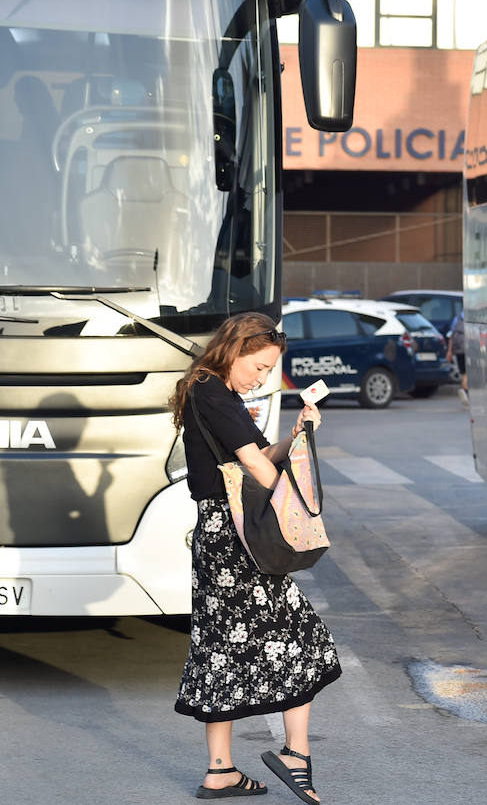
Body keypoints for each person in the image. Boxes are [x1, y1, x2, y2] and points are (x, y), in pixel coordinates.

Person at [168, 312, 338, 803]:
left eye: (268, 371)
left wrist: (298, 432)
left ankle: (221, 771)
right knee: (301, 637)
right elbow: (253, 463)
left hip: (222, 534)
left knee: (221, 647)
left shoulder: (215, 393)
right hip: (235, 536)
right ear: (234, 350)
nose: (261, 378)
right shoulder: (211, 390)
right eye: (259, 367)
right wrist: (294, 504)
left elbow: (264, 452)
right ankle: (295, 754)